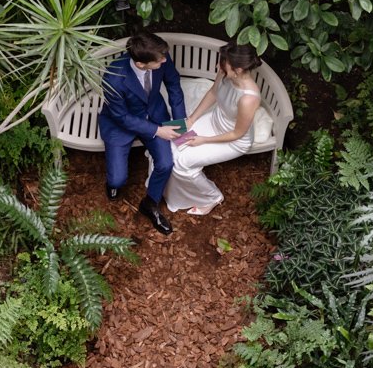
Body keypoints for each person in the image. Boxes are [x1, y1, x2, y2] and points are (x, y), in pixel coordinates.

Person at [98, 30, 187, 235]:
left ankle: (150, 204)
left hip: (154, 114)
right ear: (141, 64)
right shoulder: (113, 77)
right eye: (159, 60)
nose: (165, 60)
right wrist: (157, 130)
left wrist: (179, 121)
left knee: (166, 163)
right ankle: (114, 182)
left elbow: (173, 85)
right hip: (120, 123)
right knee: (117, 180)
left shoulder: (160, 57)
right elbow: (122, 117)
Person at [164, 42, 262, 217]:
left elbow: (237, 133)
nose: (219, 66)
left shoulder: (249, 98)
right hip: (215, 119)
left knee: (182, 163)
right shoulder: (225, 73)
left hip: (234, 140)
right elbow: (213, 93)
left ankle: (211, 197)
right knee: (171, 142)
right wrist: (191, 120)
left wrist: (203, 140)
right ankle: (165, 188)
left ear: (238, 70)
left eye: (224, 64)